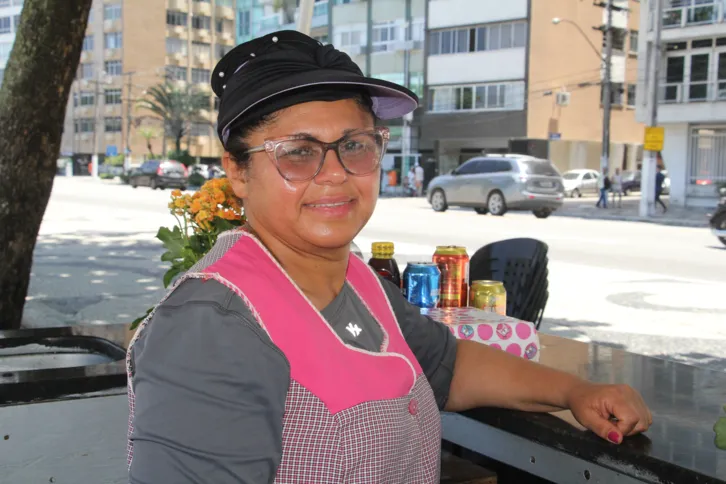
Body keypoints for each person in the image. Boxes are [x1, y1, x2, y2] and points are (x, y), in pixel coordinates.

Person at [126, 31, 651, 484]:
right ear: (238, 172)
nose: (335, 173)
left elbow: (448, 364)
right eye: (299, 151)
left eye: (354, 144)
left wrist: (576, 390)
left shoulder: (356, 279)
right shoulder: (211, 326)